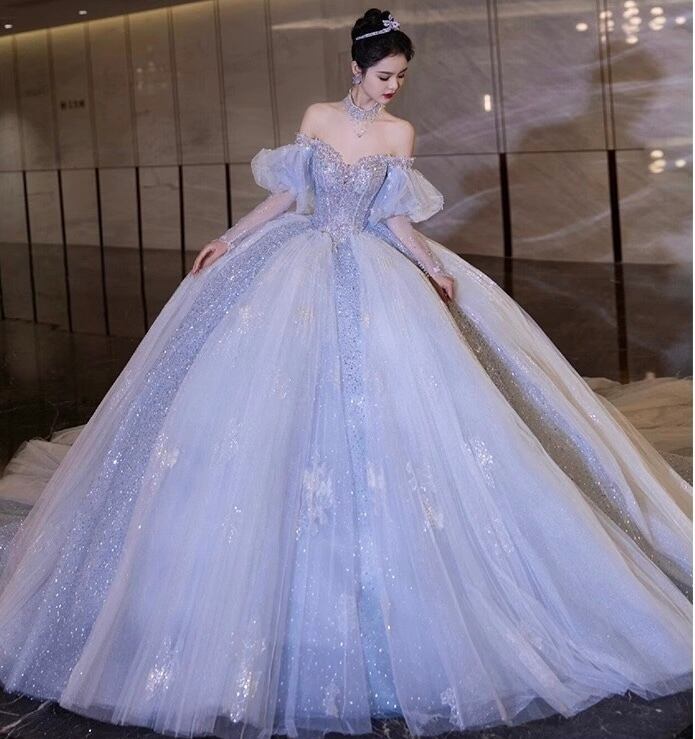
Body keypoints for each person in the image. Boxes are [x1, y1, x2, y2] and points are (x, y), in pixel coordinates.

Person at [0, 7, 691, 739]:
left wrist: (431, 267)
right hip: (298, 267)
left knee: (397, 412)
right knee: (272, 412)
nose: (393, 87)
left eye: (401, 77)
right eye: (384, 74)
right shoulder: (318, 118)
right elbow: (287, 197)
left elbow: (395, 218)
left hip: (374, 271)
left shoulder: (399, 134)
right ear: (355, 68)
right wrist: (228, 239)